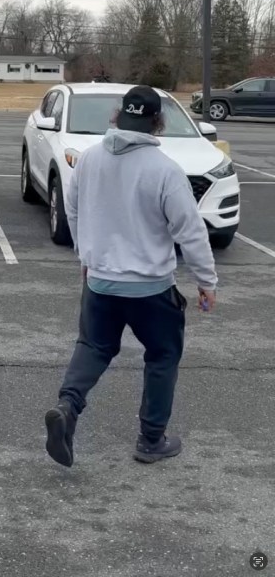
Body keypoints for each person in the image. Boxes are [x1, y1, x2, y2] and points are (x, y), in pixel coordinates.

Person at [45, 85, 218, 468]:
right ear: (157, 123)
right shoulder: (165, 170)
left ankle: (67, 407)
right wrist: (206, 281)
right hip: (151, 289)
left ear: (118, 115)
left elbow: (73, 210)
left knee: (94, 346)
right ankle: (151, 440)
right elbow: (190, 231)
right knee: (162, 355)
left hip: (100, 282)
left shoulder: (89, 160)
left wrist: (86, 255)